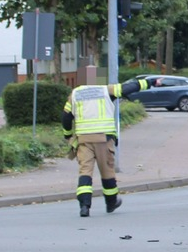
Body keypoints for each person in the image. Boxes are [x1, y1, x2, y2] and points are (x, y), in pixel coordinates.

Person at [61, 76, 157, 217]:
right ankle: (111, 203)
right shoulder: (106, 90)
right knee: (107, 172)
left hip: (84, 140)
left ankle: (84, 206)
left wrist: (68, 135)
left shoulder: (76, 93)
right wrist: (149, 82)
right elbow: (128, 88)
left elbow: (66, 116)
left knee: (85, 172)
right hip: (103, 139)